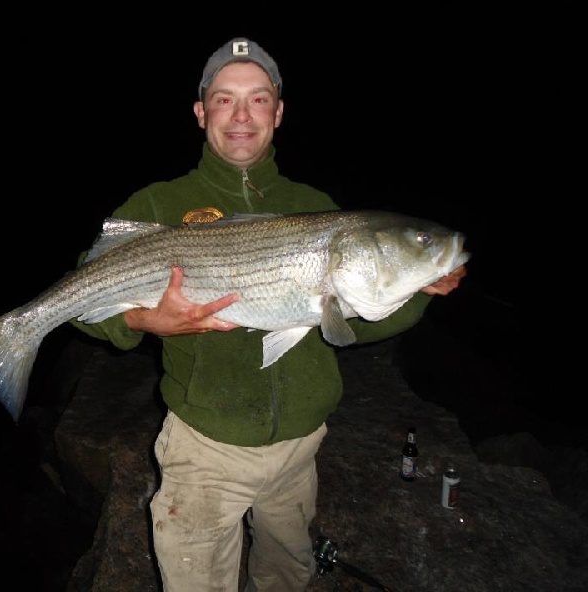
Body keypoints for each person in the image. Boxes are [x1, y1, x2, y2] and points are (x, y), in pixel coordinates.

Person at [70, 37, 465, 592]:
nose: (240, 115)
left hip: (300, 448)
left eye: (257, 99)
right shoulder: (157, 204)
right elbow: (83, 307)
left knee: (288, 574)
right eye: (224, 99)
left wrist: (423, 284)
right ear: (200, 111)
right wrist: (140, 321)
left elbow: (358, 322)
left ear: (278, 113)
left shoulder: (319, 206)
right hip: (206, 449)